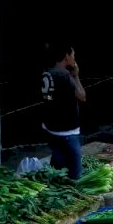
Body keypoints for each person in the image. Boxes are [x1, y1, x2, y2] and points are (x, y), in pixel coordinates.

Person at [41, 43, 86, 180]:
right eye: (73, 55)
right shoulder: (65, 75)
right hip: (67, 132)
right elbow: (82, 96)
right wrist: (76, 75)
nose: (74, 58)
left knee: (58, 168)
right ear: (66, 56)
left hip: (51, 129)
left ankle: (53, 187)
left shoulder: (46, 73)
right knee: (75, 173)